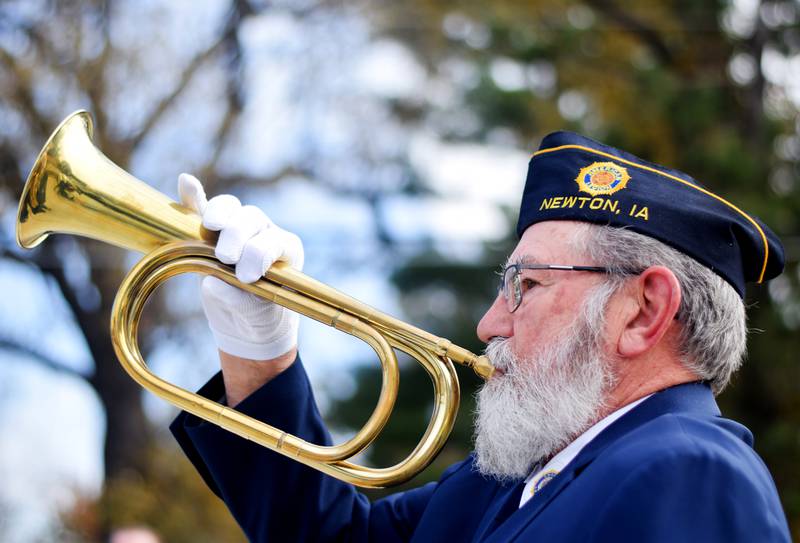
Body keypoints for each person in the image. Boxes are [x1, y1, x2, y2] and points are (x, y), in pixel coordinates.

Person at [171, 132, 792, 542]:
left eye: (527, 285)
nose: (489, 324)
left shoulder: (691, 472)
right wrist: (258, 348)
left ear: (642, 311)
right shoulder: (502, 484)